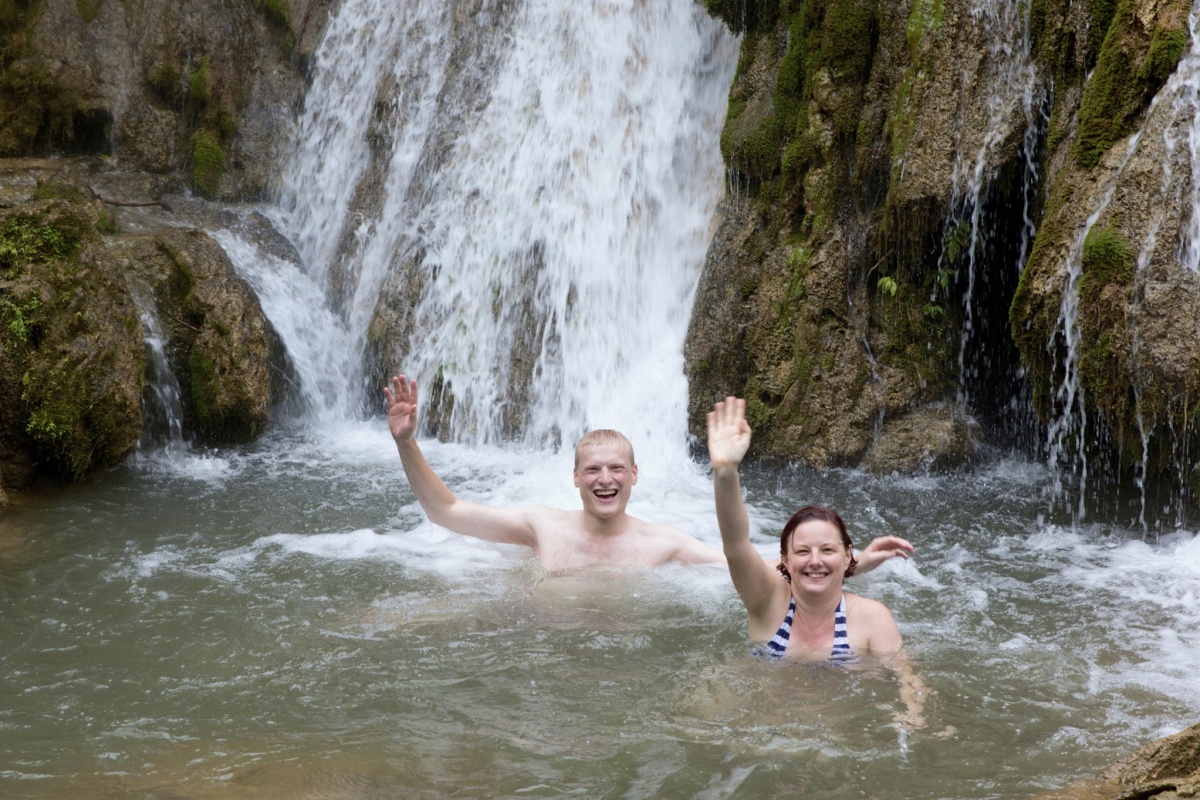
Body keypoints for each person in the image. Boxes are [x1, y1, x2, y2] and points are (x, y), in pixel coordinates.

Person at [385, 374, 914, 574]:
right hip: (535, 649)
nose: (604, 479)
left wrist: (856, 561)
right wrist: (407, 443)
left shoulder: (664, 544)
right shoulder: (540, 526)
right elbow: (446, 512)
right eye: (592, 470)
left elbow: (757, 566)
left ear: (636, 476)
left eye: (616, 469)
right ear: (574, 478)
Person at [706, 395, 930, 728]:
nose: (815, 561)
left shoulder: (871, 617)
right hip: (762, 732)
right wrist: (725, 471)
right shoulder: (767, 601)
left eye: (827, 550)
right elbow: (736, 546)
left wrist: (912, 717)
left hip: (835, 734)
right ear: (785, 558)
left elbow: (908, 679)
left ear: (846, 555)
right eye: (802, 551)